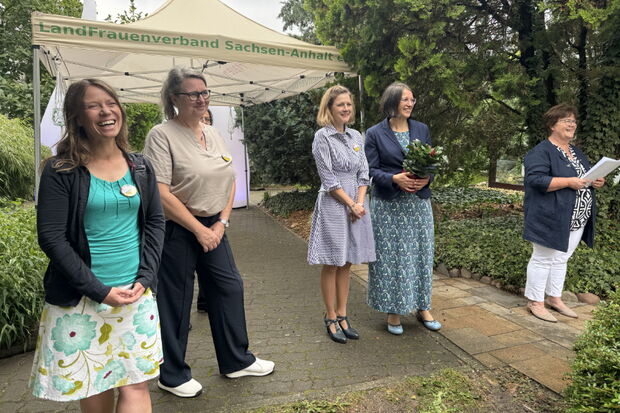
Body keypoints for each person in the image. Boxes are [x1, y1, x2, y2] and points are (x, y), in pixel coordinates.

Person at [29, 79, 165, 412]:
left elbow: (155, 222)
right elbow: (51, 237)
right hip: (81, 301)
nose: (106, 111)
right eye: (93, 106)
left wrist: (145, 277)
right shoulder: (61, 170)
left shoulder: (140, 166)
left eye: (111, 103)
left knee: (136, 384)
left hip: (134, 296)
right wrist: (98, 290)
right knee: (95, 385)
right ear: (77, 117)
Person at [143, 67, 274, 398]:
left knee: (229, 287)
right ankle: (171, 375)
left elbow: (228, 179)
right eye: (193, 94)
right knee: (176, 300)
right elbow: (160, 192)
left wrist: (221, 223)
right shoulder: (161, 135)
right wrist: (198, 229)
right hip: (177, 228)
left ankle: (236, 360)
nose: (201, 99)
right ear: (175, 98)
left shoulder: (212, 132)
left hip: (214, 225)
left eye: (205, 92)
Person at [364, 82, 441, 335]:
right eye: (404, 99)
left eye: (412, 99)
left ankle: (423, 307)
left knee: (421, 254)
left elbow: (432, 163)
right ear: (392, 102)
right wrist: (394, 178)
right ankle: (393, 311)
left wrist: (426, 179)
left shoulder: (421, 129)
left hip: (418, 204)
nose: (409, 104)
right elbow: (369, 170)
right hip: (389, 205)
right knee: (392, 258)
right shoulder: (374, 133)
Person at [523, 103, 605, 322]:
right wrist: (568, 182)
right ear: (552, 125)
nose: (572, 124)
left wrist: (596, 181)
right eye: (566, 120)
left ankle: (554, 298)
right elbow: (535, 180)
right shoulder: (541, 151)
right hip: (550, 217)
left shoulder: (576, 152)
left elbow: (584, 177)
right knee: (543, 259)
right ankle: (535, 302)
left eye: (574, 121)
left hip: (576, 218)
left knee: (561, 258)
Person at [307, 85, 376, 344]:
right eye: (340, 105)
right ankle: (330, 315)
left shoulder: (356, 136)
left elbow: (364, 173)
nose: (346, 109)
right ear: (329, 108)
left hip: (356, 204)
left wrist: (359, 202)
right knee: (333, 261)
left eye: (348, 104)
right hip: (334, 204)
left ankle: (343, 315)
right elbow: (328, 179)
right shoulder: (322, 137)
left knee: (347, 262)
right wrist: (351, 204)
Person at [196, 107, 214, 313]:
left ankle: (204, 300)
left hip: (213, 218)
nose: (204, 122)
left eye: (207, 119)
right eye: (201, 118)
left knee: (209, 264)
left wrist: (223, 220)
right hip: (185, 218)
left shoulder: (215, 142)